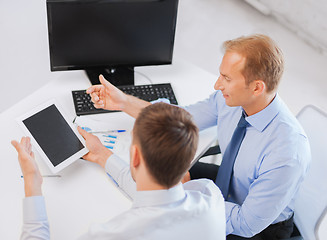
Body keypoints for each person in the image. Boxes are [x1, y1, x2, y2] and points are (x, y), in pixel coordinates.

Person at [87, 34, 311, 239]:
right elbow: (177, 119)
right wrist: (123, 102)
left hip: (259, 229)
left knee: (162, 193)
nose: (217, 85)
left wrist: (184, 199)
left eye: (226, 78)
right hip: (227, 185)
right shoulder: (231, 101)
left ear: (256, 88)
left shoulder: (287, 152)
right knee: (158, 173)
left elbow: (246, 223)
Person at [11, 103, 226, 240]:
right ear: (188, 160)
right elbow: (159, 196)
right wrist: (102, 155)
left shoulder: (115, 233)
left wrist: (32, 182)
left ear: (134, 157)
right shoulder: (210, 195)